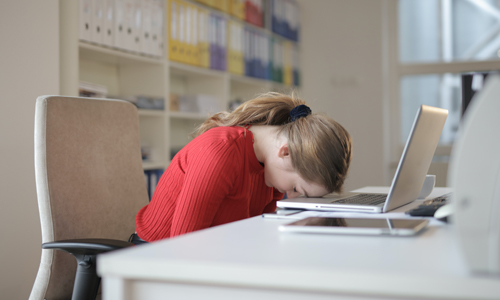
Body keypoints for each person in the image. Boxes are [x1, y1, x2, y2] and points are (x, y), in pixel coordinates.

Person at [132, 92, 352, 242]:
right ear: (286, 152)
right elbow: (184, 247)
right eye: (297, 189)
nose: (292, 198)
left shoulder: (272, 170)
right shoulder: (220, 152)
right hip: (156, 258)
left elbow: (257, 235)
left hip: (213, 253)